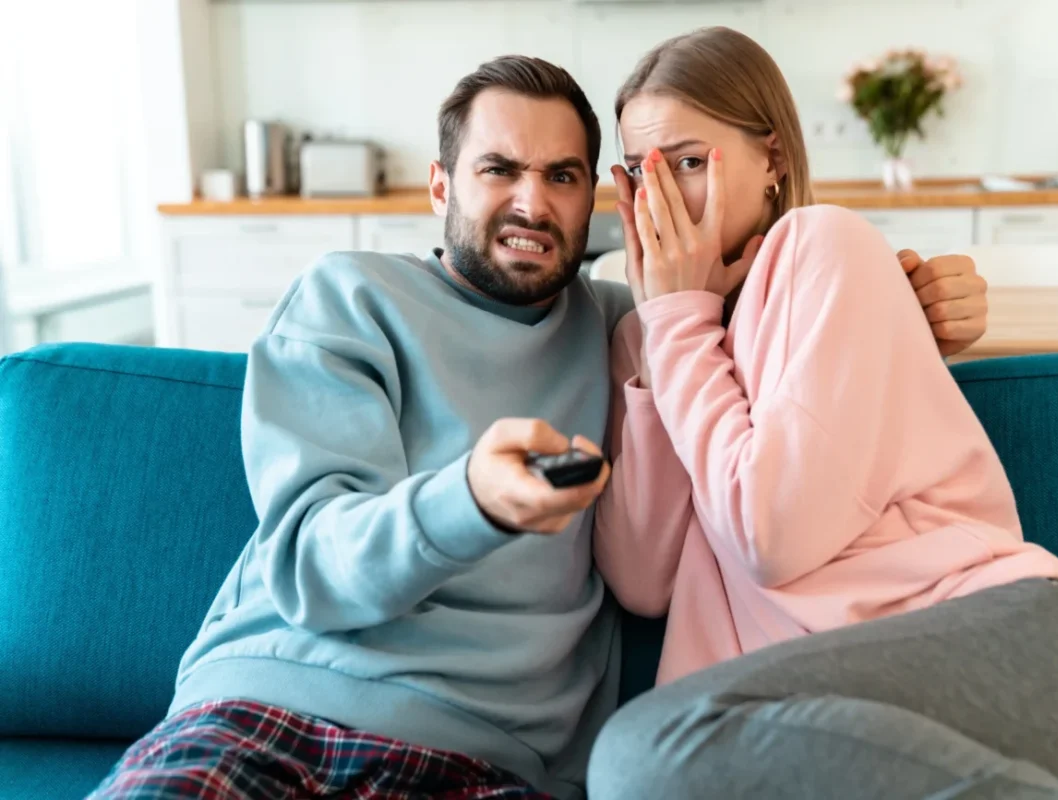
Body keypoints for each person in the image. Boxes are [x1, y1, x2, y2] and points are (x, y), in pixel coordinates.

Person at [88, 55, 989, 800]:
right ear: (440, 183)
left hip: (487, 762)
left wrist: (910, 312)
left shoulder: (632, 330)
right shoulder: (350, 297)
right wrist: (470, 498)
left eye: (562, 177)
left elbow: (778, 364)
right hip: (265, 713)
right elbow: (312, 565)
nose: (532, 202)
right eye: (498, 170)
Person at [587, 26, 1058, 800]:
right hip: (830, 725)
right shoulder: (653, 335)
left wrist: (679, 329)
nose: (662, 198)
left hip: (1015, 665)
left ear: (773, 161)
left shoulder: (821, 247)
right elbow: (641, 580)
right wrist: (662, 331)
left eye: (690, 163)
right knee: (641, 764)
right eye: (641, 172)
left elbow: (774, 535)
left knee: (636, 757)